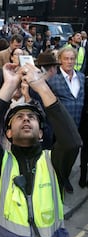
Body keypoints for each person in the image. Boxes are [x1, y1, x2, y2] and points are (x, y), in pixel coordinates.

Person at [0, 62, 81, 237]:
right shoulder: (0, 162)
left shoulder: (53, 161)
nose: (26, 119)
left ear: (40, 133)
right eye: (19, 117)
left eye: (31, 117)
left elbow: (72, 142)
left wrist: (41, 86)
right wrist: (9, 85)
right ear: (8, 132)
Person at [48, 47, 85, 194]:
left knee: (73, 154)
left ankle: (65, 178)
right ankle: (56, 179)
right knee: (59, 156)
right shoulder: (53, 79)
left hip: (78, 126)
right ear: (60, 60)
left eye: (72, 59)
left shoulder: (82, 77)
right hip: (60, 127)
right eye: (66, 58)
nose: (69, 62)